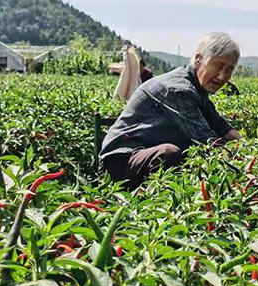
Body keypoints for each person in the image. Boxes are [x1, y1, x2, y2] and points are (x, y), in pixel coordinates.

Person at [100, 33, 242, 189]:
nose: (222, 76)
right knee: (169, 153)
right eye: (218, 66)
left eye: (229, 69)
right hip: (123, 161)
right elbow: (205, 140)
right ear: (198, 60)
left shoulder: (198, 90)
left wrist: (248, 150)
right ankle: (146, 204)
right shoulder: (178, 89)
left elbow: (222, 128)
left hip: (146, 156)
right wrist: (240, 166)